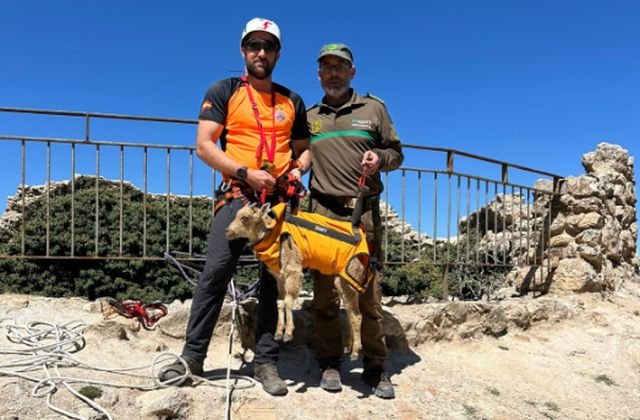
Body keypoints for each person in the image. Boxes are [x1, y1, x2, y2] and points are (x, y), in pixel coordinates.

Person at [158, 17, 311, 397]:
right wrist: (245, 172)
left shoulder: (292, 100)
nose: (261, 53)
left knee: (273, 283)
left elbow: (304, 150)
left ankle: (265, 362)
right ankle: (192, 358)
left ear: (278, 54)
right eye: (254, 46)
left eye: (268, 46)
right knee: (215, 274)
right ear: (243, 51)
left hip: (277, 203)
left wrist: (296, 171)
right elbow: (205, 144)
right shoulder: (224, 90)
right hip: (238, 198)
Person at [306, 43, 403, 399]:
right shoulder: (310, 115)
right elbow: (300, 154)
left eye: (340, 66)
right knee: (323, 293)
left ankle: (376, 367)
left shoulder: (374, 109)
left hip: (362, 213)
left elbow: (397, 154)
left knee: (367, 293)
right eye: (326, 67)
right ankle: (330, 361)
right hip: (320, 213)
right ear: (319, 74)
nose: (333, 73)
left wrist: (379, 157)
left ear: (352, 72)